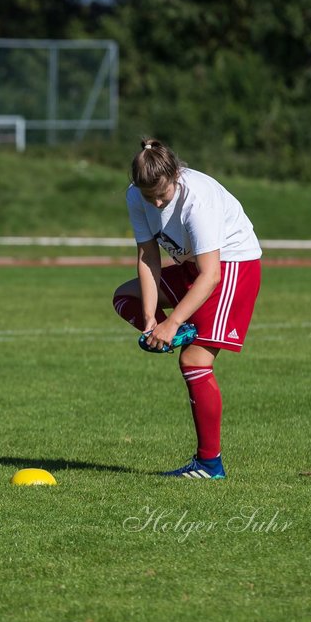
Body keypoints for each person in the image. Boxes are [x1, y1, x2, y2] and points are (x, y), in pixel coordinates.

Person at [112, 138, 262, 479]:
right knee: (125, 297)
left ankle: (210, 465)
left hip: (233, 267)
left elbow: (211, 276)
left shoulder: (198, 200)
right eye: (150, 196)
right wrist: (152, 320)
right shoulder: (137, 195)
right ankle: (175, 332)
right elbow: (148, 256)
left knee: (194, 360)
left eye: (162, 194)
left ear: (176, 175)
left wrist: (174, 320)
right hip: (197, 267)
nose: (157, 202)